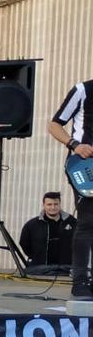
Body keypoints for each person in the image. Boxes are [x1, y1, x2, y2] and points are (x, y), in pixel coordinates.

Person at [48, 79, 93, 300]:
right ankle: (80, 280)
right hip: (85, 166)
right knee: (87, 220)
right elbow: (55, 124)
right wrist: (75, 145)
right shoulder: (84, 90)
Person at [19, 191, 76, 274]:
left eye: (56, 204)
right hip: (41, 268)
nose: (53, 207)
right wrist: (36, 256)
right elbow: (24, 243)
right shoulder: (31, 225)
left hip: (66, 268)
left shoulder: (73, 222)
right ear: (43, 205)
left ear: (60, 204)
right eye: (49, 204)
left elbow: (81, 242)